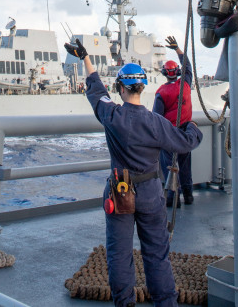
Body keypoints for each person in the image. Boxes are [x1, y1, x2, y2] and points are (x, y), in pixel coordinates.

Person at [64, 38, 203, 307]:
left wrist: (85, 57)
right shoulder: (156, 122)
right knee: (156, 254)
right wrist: (193, 127)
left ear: (120, 88)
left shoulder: (111, 115)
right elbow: (185, 142)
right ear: (143, 86)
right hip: (151, 193)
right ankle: (166, 303)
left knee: (119, 254)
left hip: (120, 192)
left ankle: (124, 303)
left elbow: (95, 91)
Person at [152, 36, 194, 207]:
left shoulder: (161, 92)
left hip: (169, 134)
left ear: (163, 73)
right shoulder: (185, 84)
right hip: (185, 132)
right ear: (177, 72)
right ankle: (189, 196)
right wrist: (178, 50)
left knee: (169, 167)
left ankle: (172, 199)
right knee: (185, 166)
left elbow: (157, 117)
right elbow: (188, 67)